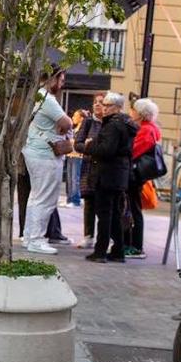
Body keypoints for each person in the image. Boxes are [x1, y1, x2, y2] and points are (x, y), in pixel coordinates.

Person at [78, 92, 135, 264]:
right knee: (115, 214)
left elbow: (106, 149)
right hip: (117, 175)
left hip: (107, 175)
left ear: (117, 107)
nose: (104, 108)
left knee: (105, 214)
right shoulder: (124, 124)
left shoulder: (113, 126)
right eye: (104, 105)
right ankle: (118, 251)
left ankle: (100, 251)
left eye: (108, 105)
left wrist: (90, 145)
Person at [22, 68, 72, 255]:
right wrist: (63, 125)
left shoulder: (35, 96)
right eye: (61, 80)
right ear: (53, 79)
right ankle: (37, 239)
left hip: (35, 150)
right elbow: (67, 122)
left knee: (35, 197)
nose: (62, 84)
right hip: (46, 153)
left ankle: (29, 236)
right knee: (45, 198)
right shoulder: (47, 99)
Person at [124, 98, 161, 260]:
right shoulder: (150, 128)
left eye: (133, 110)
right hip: (137, 174)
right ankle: (132, 244)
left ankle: (136, 246)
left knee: (134, 209)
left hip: (135, 174)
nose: (131, 113)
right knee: (133, 208)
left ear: (140, 114)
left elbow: (134, 150)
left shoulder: (146, 130)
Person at [75, 93, 105, 250]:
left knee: (103, 204)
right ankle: (88, 236)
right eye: (95, 102)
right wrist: (86, 145)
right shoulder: (88, 122)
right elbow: (77, 145)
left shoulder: (108, 122)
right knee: (89, 202)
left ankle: (104, 236)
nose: (97, 105)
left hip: (104, 168)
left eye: (101, 102)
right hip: (89, 166)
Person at [64, 110, 86, 208]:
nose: (73, 117)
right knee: (69, 178)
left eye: (75, 116)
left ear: (81, 118)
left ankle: (75, 200)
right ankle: (69, 199)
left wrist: (73, 141)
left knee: (75, 178)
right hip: (70, 154)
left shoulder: (83, 130)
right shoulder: (74, 128)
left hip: (78, 156)